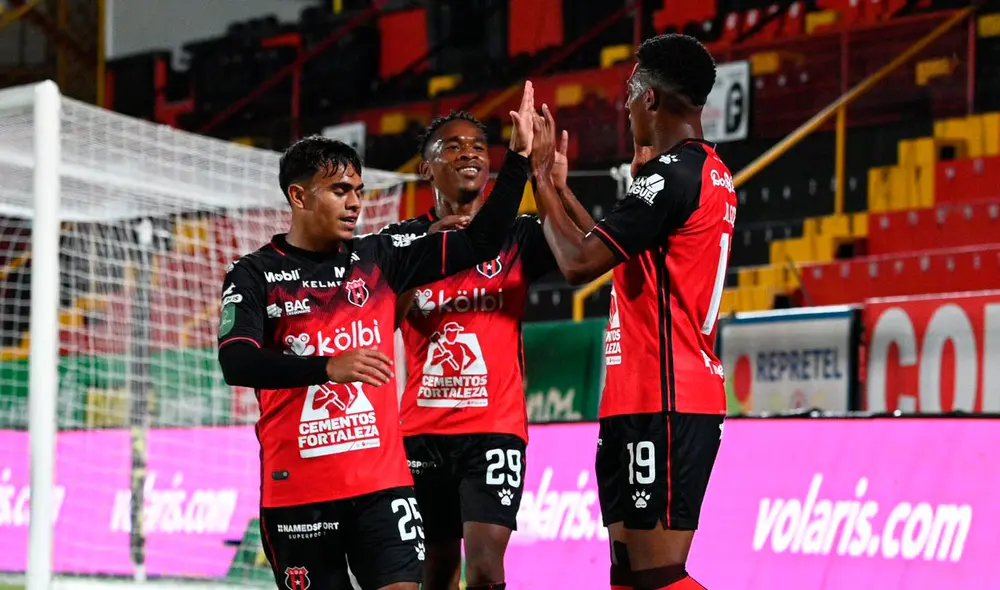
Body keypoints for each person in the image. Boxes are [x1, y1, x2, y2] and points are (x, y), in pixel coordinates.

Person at [215, 82, 537, 590]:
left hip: (384, 491)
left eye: (359, 191)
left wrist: (518, 159)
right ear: (298, 196)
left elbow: (480, 240)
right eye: (340, 191)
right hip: (299, 495)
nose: (355, 204)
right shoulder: (253, 274)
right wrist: (326, 367)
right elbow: (237, 362)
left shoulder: (381, 256)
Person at [531, 34, 736, 590]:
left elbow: (578, 263)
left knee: (657, 577)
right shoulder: (697, 172)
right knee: (627, 573)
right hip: (638, 396)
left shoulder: (673, 175)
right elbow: (612, 244)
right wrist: (559, 192)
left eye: (629, 92)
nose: (624, 106)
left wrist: (538, 177)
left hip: (666, 399)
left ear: (650, 98)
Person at [378, 109, 593, 590]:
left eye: (478, 146)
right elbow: (383, 324)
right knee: (435, 570)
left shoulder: (518, 235)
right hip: (422, 432)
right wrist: (421, 259)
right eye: (452, 146)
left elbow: (591, 253)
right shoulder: (400, 241)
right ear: (426, 167)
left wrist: (555, 188)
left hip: (495, 431)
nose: (469, 153)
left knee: (484, 568)